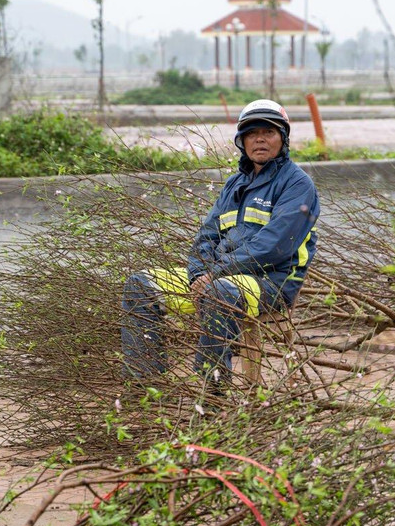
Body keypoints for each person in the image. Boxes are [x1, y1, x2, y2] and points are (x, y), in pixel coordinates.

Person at [122, 99, 320, 393]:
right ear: (242, 142)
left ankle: (212, 393)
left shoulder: (297, 184)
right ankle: (146, 385)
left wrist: (213, 275)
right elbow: (206, 237)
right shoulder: (234, 185)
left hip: (271, 282)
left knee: (218, 293)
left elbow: (274, 247)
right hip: (217, 277)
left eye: (268, 132)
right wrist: (196, 274)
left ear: (284, 138)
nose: (260, 139)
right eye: (252, 134)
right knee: (140, 286)